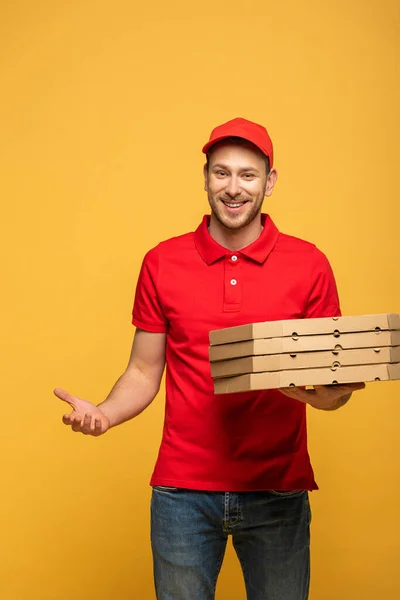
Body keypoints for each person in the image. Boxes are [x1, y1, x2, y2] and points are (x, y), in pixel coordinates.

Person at [54, 117, 365, 600]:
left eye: (248, 174)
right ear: (205, 179)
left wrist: (329, 397)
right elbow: (142, 370)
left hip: (278, 488)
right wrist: (105, 414)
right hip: (182, 492)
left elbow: (330, 388)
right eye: (221, 173)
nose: (234, 188)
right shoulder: (162, 261)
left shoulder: (309, 264)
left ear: (270, 181)